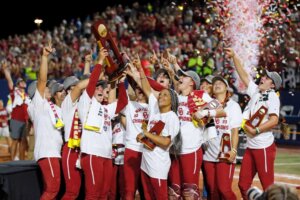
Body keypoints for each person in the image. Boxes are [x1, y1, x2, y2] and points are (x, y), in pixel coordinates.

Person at [225, 48, 282, 200]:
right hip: (252, 146)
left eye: (267, 78)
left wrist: (256, 129)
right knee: (243, 185)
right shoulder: (256, 91)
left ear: (272, 85)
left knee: (269, 187)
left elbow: (274, 120)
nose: (262, 78)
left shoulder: (272, 96)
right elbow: (243, 75)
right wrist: (235, 56)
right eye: (263, 76)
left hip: (263, 147)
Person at [134, 56, 180, 199]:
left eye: (165, 95)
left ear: (172, 101)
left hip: (158, 167)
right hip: (145, 164)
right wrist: (141, 69)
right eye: (160, 95)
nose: (161, 97)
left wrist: (146, 134)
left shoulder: (172, 117)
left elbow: (166, 142)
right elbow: (147, 88)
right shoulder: (155, 109)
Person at [78, 47, 119, 199]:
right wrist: (100, 61)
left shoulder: (106, 108)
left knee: (104, 194)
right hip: (92, 154)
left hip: (107, 156)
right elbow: (91, 84)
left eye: (103, 86)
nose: (101, 88)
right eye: (98, 87)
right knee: (93, 194)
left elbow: (122, 103)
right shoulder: (85, 103)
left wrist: (119, 81)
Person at [27, 42, 65, 200]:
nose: (49, 89)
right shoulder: (37, 104)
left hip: (54, 151)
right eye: (45, 89)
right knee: (52, 189)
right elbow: (42, 80)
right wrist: (44, 57)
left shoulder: (51, 107)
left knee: (53, 189)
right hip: (47, 152)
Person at [202, 76, 242, 200]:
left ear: (226, 88)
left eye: (221, 83)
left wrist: (234, 151)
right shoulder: (208, 105)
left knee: (224, 189)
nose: (217, 84)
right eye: (215, 84)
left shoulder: (233, 106)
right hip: (208, 154)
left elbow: (235, 130)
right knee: (212, 191)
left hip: (225, 153)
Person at [60, 52, 91, 200]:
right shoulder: (68, 102)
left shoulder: (82, 103)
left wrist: (87, 64)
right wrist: (99, 74)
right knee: (72, 191)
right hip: (71, 149)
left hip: (84, 149)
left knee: (82, 191)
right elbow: (82, 86)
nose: (77, 88)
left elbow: (85, 84)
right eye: (72, 87)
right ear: (67, 91)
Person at [2, 61, 30, 160]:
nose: (24, 82)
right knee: (14, 141)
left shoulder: (27, 96)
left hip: (25, 121)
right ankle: (13, 161)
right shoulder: (14, 92)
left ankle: (22, 163)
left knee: (22, 142)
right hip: (16, 120)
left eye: (24, 81)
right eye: (22, 81)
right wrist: (6, 70)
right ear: (18, 84)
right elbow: (9, 80)